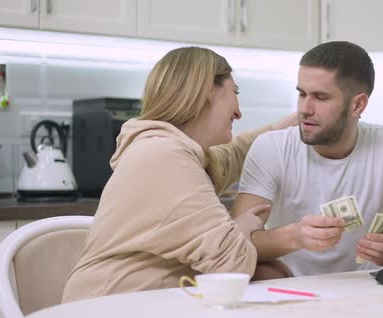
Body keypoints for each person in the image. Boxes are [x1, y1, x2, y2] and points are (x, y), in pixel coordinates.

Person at [62, 46, 296, 303]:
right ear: (207, 91)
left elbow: (234, 154)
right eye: (235, 92)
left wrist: (283, 128)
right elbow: (232, 263)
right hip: (109, 310)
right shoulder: (164, 156)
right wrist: (240, 228)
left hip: (139, 302)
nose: (239, 112)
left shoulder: (170, 151)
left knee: (269, 273)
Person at [231, 41, 383, 277]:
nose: (305, 109)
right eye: (302, 94)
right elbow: (237, 243)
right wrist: (294, 236)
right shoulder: (271, 147)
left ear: (358, 105)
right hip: (291, 288)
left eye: (320, 97)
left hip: (365, 288)